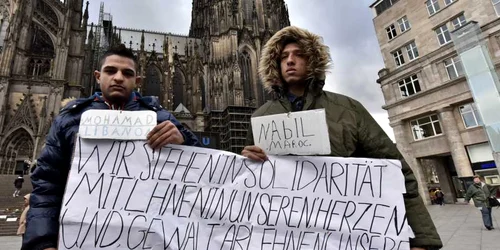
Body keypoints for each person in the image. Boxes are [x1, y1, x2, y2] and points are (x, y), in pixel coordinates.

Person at [242, 26, 442, 250]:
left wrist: (422, 239)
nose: (290, 61)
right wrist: (247, 162)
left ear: (313, 62)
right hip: (288, 236)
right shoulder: (261, 118)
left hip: (347, 235)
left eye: (299, 55)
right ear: (275, 65)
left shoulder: (347, 109)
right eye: (283, 57)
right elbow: (251, 186)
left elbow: (396, 172)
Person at [22, 44, 201, 250]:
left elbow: (200, 173)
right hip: (82, 239)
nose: (118, 77)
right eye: (110, 71)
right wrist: (42, 243)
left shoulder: (160, 118)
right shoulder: (70, 120)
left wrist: (183, 142)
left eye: (127, 73)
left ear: (138, 81)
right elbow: (47, 186)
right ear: (98, 76)